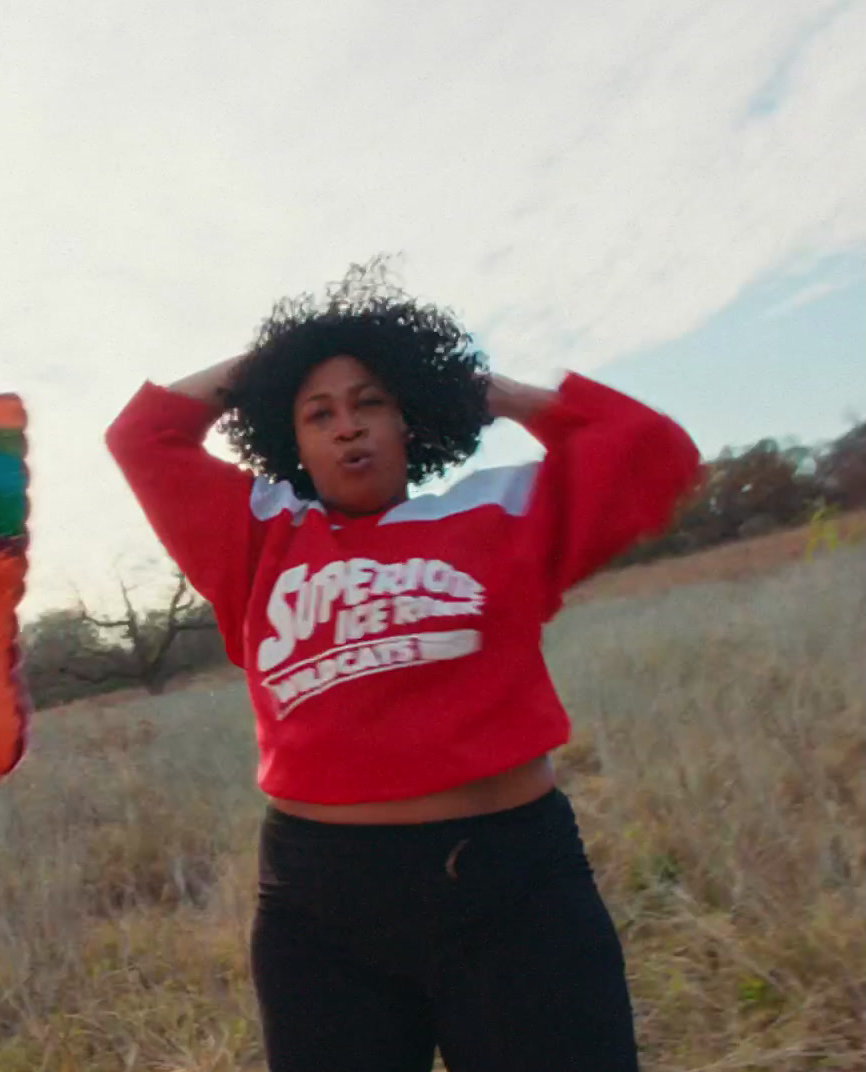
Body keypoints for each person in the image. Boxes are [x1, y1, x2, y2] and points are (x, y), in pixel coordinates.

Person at [104, 262, 701, 1072]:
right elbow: (141, 437)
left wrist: (487, 391)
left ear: (408, 423)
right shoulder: (257, 538)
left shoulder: (496, 514)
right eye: (319, 414)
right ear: (296, 442)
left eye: (371, 403)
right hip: (321, 912)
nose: (347, 427)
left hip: (512, 890)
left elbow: (651, 451)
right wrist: (272, 363)